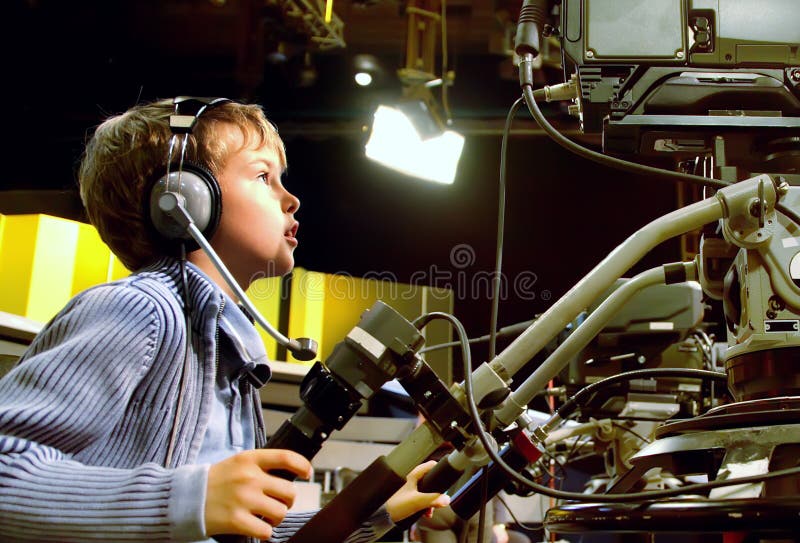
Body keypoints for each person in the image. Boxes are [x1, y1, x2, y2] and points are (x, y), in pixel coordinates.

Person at [0, 97, 449, 542]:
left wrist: (375, 511)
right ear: (183, 200)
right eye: (263, 177)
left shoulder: (225, 354)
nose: (291, 200)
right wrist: (188, 499)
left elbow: (237, 533)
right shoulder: (142, 309)